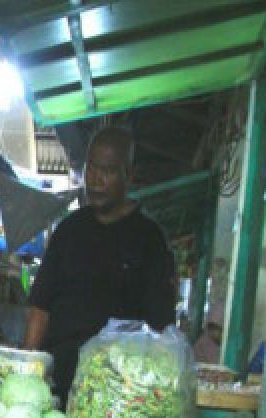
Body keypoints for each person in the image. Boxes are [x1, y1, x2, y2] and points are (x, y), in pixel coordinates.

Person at [25, 127, 177, 397]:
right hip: (58, 383)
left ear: (128, 175)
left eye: (107, 171)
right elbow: (41, 306)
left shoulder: (149, 239)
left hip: (118, 391)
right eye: (91, 168)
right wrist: (26, 371)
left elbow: (160, 327)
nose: (96, 180)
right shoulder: (68, 230)